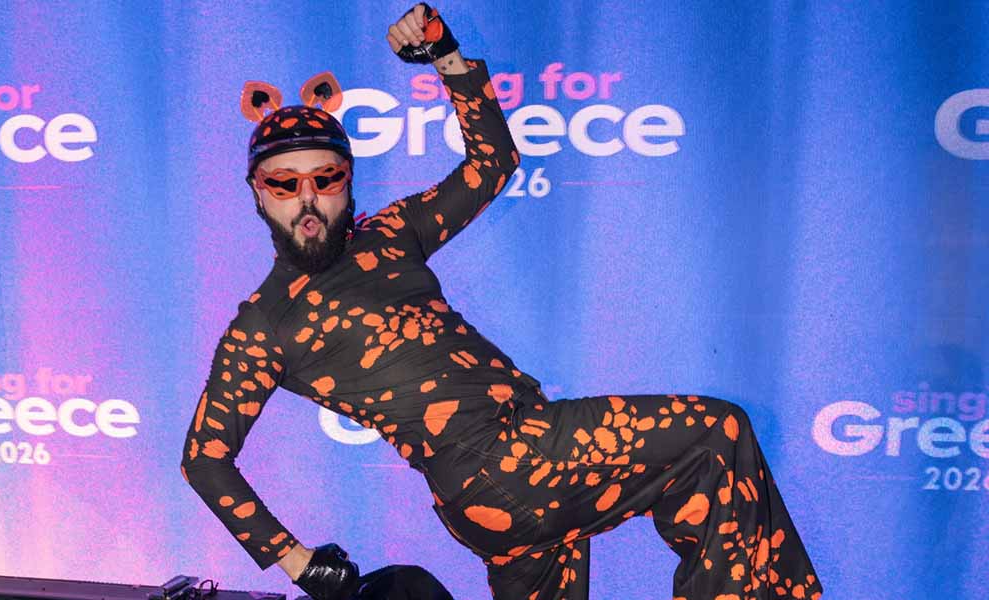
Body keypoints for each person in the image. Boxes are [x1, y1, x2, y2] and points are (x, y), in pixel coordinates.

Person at [180, 4, 824, 599]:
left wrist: (445, 55)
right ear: (257, 191)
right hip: (507, 466)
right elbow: (204, 458)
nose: (308, 198)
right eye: (284, 183)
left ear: (348, 183)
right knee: (715, 435)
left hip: (508, 483)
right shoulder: (262, 324)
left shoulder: (391, 234)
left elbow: (491, 164)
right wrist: (296, 560)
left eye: (326, 178)